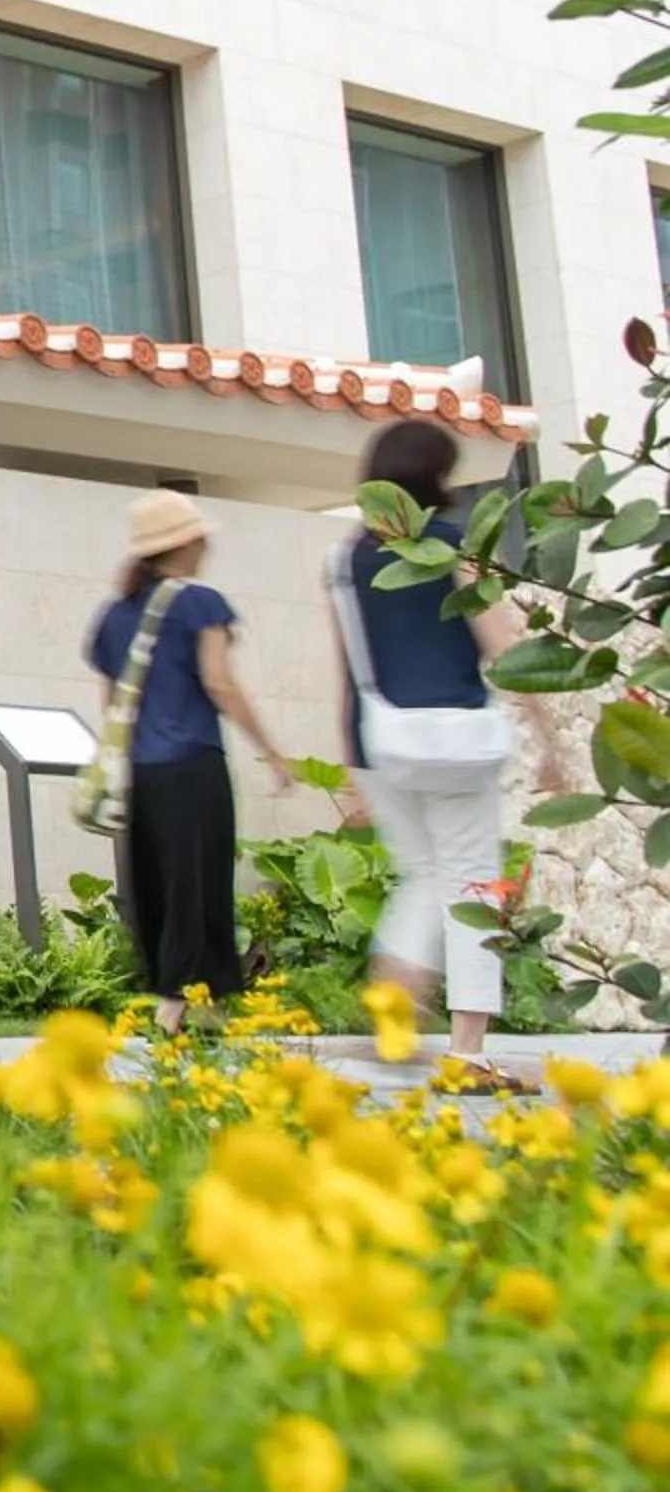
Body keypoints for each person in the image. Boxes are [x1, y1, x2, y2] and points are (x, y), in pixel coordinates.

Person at [334, 420, 524, 1093]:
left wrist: (352, 765)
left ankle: (395, 1017)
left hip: (382, 745)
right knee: (472, 883)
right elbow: (501, 643)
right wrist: (553, 737)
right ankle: (467, 1052)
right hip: (458, 742)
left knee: (422, 873)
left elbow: (348, 665)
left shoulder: (345, 558)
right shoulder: (448, 546)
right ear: (436, 479)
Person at [86, 489, 297, 1032]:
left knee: (160, 884)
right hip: (194, 764)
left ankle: (208, 1011)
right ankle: (176, 1010)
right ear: (185, 542)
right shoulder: (201, 603)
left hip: (143, 772)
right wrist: (272, 751)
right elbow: (220, 682)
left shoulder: (113, 615)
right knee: (199, 885)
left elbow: (113, 704)